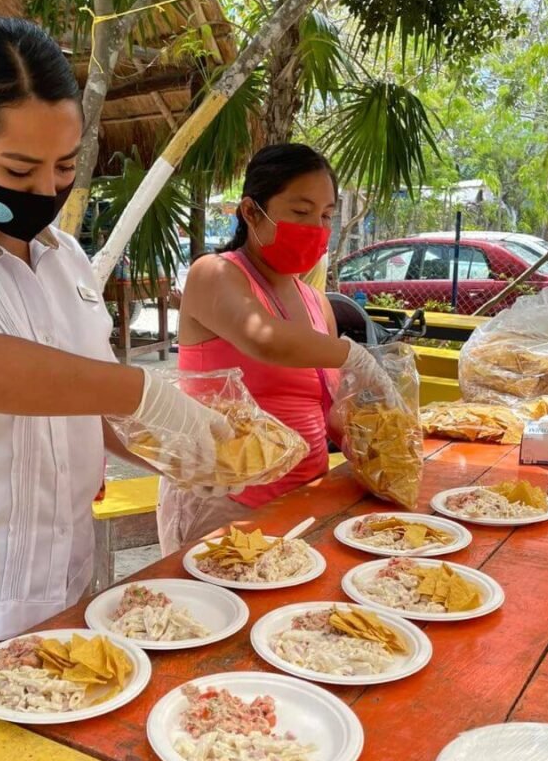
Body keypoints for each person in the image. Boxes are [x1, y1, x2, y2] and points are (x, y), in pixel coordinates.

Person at [0, 17, 231, 670]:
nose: (46, 190)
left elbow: (88, 400)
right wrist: (149, 391)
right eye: (18, 168)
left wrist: (187, 451)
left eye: (66, 165)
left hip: (69, 594)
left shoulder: (66, 257)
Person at [158, 143, 392, 553]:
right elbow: (263, 338)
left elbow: (324, 405)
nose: (317, 228)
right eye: (301, 213)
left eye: (325, 216)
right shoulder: (214, 274)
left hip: (304, 499)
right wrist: (352, 354)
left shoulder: (315, 300)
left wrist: (377, 443)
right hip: (227, 503)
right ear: (251, 212)